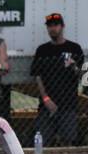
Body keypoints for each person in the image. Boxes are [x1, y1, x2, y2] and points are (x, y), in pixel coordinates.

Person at [31, 13, 84, 146]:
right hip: (47, 105)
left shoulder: (74, 48)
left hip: (68, 103)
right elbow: (38, 76)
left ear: (62, 26)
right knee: (43, 140)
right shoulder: (42, 50)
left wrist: (73, 66)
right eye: (49, 26)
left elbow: (81, 75)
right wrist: (45, 99)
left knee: (68, 141)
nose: (52, 28)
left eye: (56, 25)